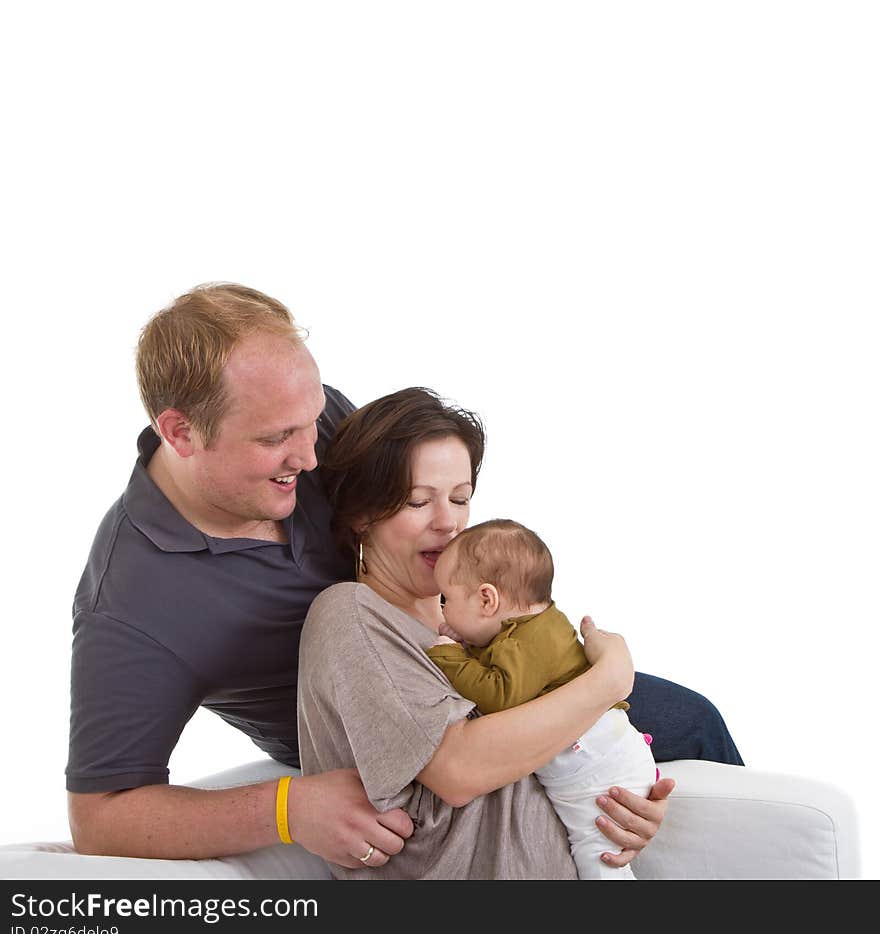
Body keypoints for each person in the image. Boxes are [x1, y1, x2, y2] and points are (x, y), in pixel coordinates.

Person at [67, 283, 682, 872]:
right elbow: (99, 818)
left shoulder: (314, 423)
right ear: (180, 432)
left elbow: (432, 522)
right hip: (396, 750)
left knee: (683, 730)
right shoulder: (130, 602)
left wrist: (608, 756)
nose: (312, 456)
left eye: (311, 419)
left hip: (487, 684)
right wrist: (286, 809)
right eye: (277, 438)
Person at [297, 387, 735, 877]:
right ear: (361, 514)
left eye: (460, 498)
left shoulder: (472, 621)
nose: (449, 523)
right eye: (418, 502)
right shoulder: (354, 614)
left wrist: (619, 800)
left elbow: (544, 751)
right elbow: (459, 771)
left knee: (697, 722)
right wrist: (609, 681)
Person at [427, 518, 657, 879]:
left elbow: (499, 696)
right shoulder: (533, 627)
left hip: (596, 764)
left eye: (447, 600)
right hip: (601, 755)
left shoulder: (528, 642)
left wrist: (451, 657)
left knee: (598, 860)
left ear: (487, 599)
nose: (441, 610)